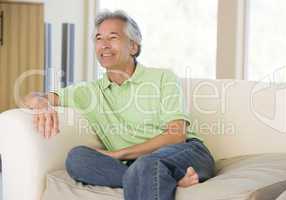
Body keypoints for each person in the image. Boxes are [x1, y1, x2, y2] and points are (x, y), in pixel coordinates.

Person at [23, 10, 215, 200]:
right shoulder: (87, 92)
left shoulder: (163, 77)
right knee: (77, 158)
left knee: (146, 164)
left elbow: (177, 135)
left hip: (186, 153)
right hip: (134, 164)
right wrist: (42, 104)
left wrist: (118, 153)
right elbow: (32, 97)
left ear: (133, 46)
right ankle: (164, 179)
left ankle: (153, 174)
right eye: (99, 38)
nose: (104, 45)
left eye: (112, 37)